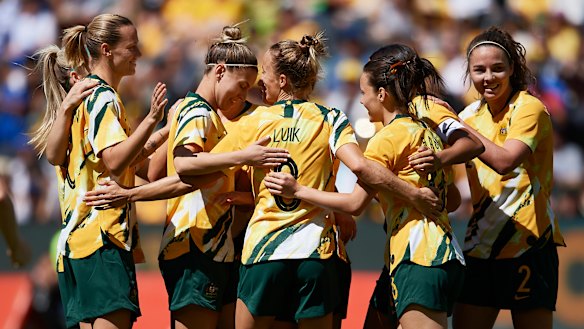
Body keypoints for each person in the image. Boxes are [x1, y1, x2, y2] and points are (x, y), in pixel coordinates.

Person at [263, 43, 466, 329]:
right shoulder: (426, 132)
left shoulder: (386, 139)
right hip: (439, 252)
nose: (360, 101)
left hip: (420, 256)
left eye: (363, 93)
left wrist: (298, 191)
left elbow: (355, 204)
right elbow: (453, 199)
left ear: (381, 95)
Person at [53, 14, 170, 329]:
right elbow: (117, 161)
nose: (139, 55)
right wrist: (152, 119)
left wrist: (162, 132)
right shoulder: (104, 98)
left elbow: (75, 159)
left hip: (75, 242)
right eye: (132, 47)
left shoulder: (81, 96)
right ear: (106, 50)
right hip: (104, 240)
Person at [450, 26, 565, 329]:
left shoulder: (530, 108)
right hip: (479, 246)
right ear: (469, 73)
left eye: (498, 68)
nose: (488, 77)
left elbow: (505, 161)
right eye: (479, 70)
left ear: (512, 69)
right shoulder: (467, 117)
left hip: (528, 242)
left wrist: (452, 125)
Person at [362, 45, 484, 329]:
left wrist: (438, 159)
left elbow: (472, 143)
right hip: (406, 247)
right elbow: (450, 199)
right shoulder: (397, 124)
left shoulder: (426, 107)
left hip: (421, 249)